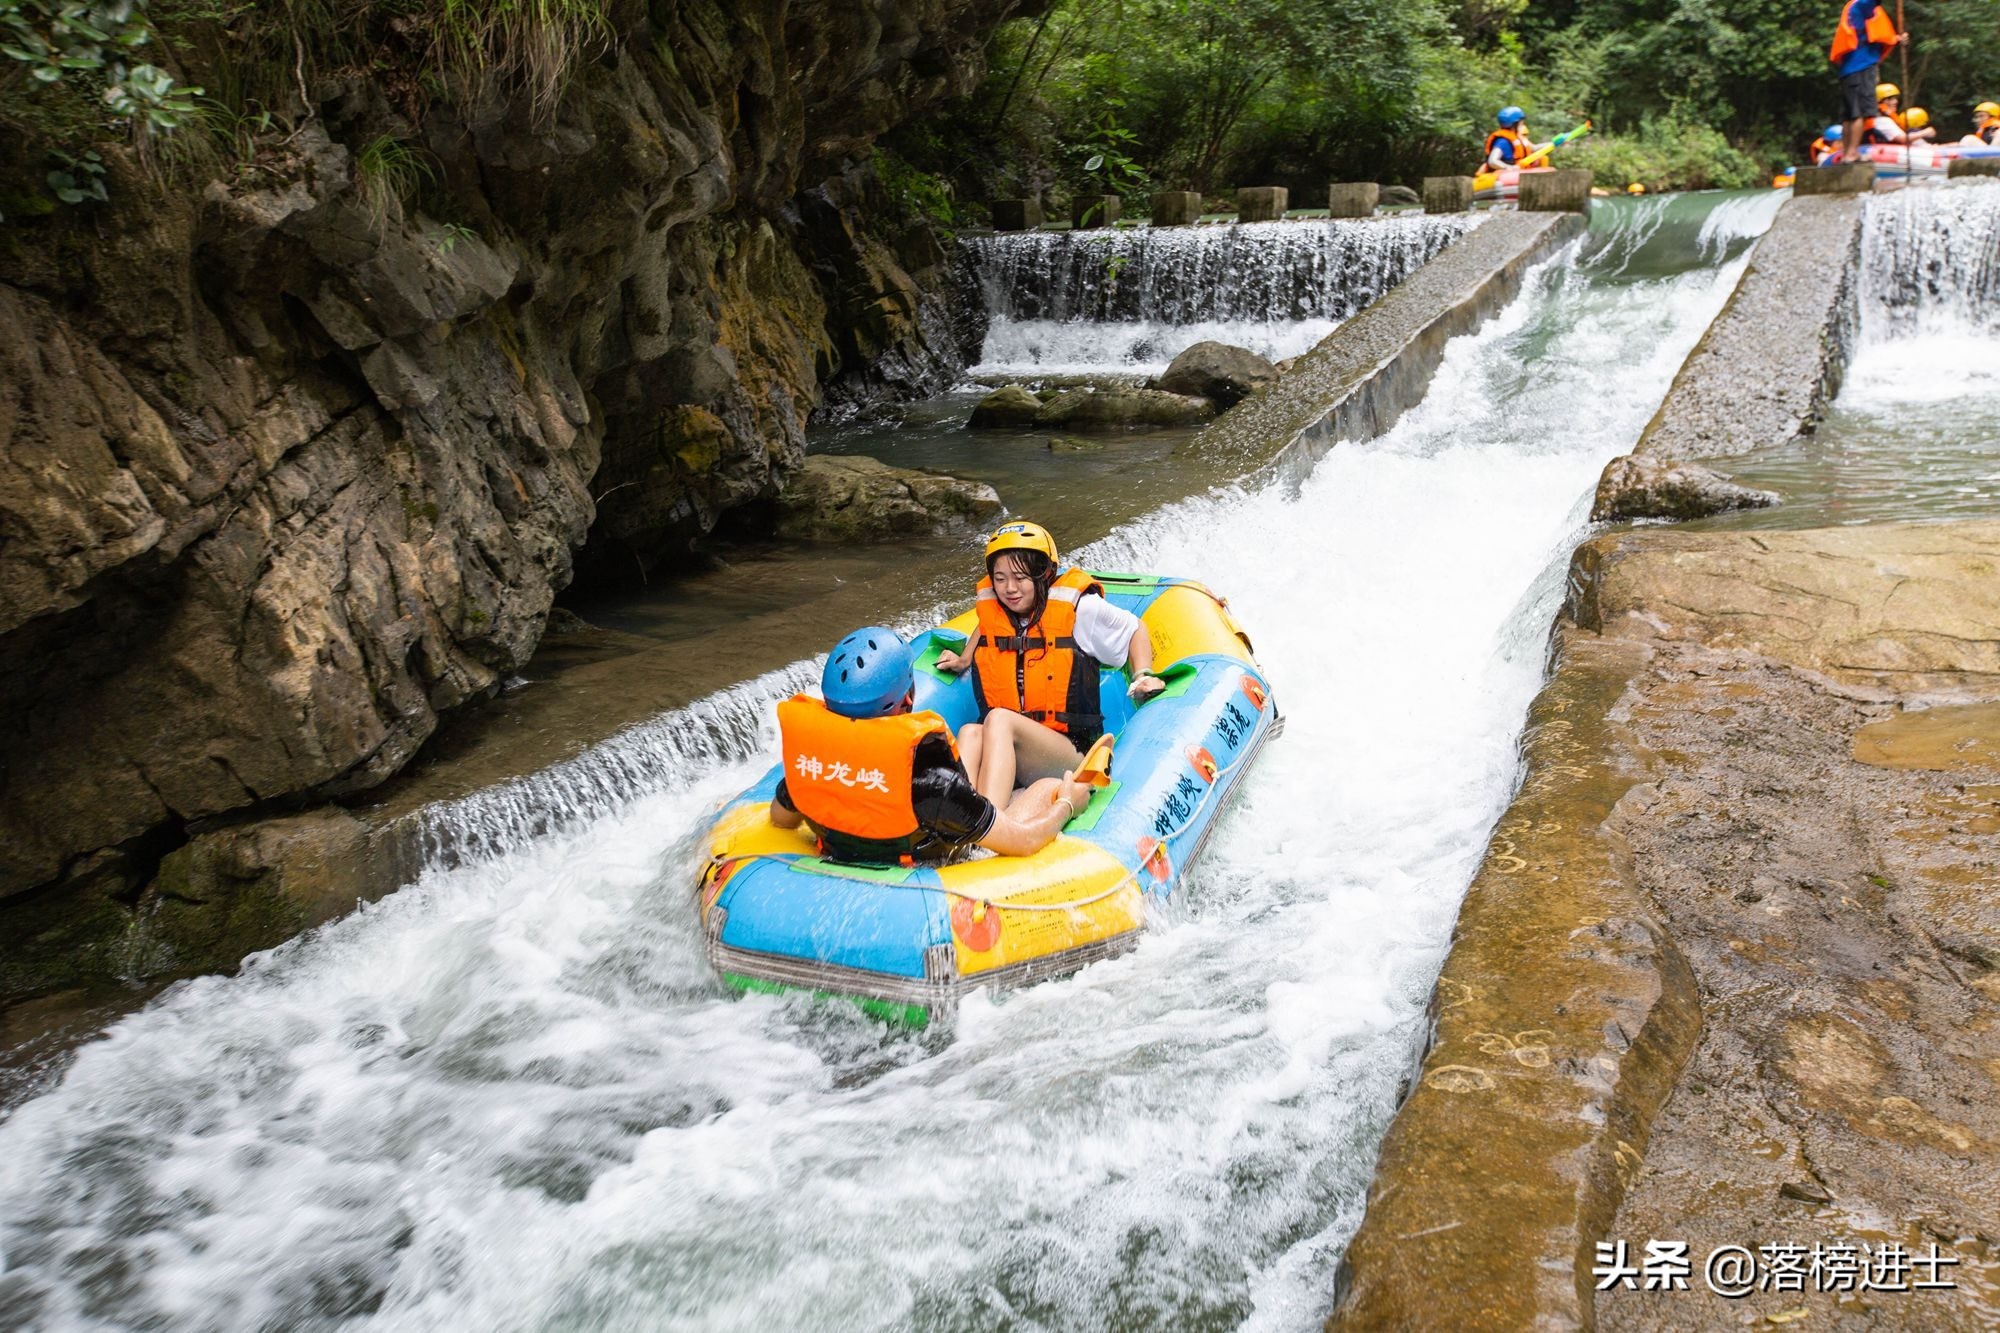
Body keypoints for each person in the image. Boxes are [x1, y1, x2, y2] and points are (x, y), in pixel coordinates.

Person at [770, 626, 1089, 863]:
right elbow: (1026, 841)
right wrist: (1066, 804)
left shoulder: (806, 769)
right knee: (1049, 785)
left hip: (882, 839)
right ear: (909, 699)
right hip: (959, 849)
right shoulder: (934, 783)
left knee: (973, 734)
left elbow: (781, 820)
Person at [936, 522, 1165, 806]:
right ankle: (958, 829)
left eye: (1020, 578)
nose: (1009, 588)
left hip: (1072, 752)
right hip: (1016, 748)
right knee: (970, 732)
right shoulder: (997, 614)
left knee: (998, 719)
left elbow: (1135, 629)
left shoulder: (1081, 610)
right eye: (1000, 578)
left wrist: (1143, 674)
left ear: (1044, 573)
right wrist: (964, 659)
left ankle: (988, 825)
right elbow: (985, 629)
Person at [1828, 2, 1905, 161]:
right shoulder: (1860, 5)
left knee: (1850, 114)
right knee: (1859, 113)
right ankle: (1851, 154)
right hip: (1861, 67)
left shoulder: (1855, 7)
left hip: (1850, 69)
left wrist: (1896, 39)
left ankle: (1848, 154)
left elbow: (1871, 35)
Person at [1482, 106, 1541, 174]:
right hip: (1503, 177)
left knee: (1543, 159)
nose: (1523, 123)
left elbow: (1534, 148)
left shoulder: (1518, 138)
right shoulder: (1503, 142)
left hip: (1518, 174)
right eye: (1521, 122)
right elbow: (1492, 161)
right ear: (1515, 124)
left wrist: (1554, 143)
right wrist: (1508, 167)